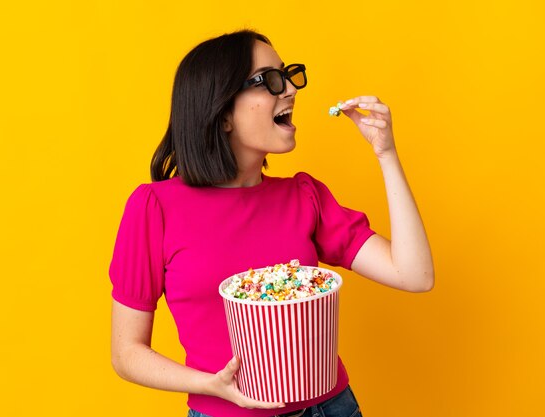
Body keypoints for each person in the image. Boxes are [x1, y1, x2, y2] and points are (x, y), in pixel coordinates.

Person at [109, 29, 434, 417]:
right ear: (222, 111)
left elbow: (415, 275)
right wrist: (209, 384)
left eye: (288, 75)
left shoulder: (304, 196)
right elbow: (126, 352)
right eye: (270, 80)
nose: (291, 90)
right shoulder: (155, 208)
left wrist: (386, 154)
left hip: (330, 408)